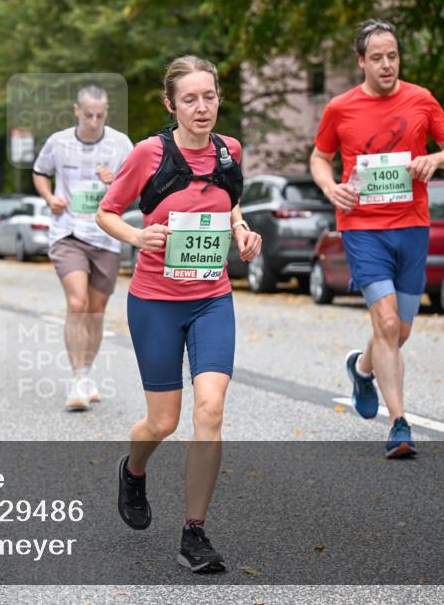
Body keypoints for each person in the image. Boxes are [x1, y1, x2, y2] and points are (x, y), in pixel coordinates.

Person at [96, 56, 262, 574]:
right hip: (155, 302)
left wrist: (241, 229)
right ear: (171, 105)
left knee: (209, 409)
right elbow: (105, 212)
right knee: (163, 420)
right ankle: (134, 469)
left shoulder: (230, 150)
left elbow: (229, 204)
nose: (201, 107)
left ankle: (194, 533)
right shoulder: (150, 153)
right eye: (189, 99)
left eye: (209, 96)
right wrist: (139, 236)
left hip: (212, 297)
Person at [309, 19, 444, 458]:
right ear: (361, 61)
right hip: (362, 227)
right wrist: (328, 187)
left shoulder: (421, 99)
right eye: (376, 57)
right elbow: (320, 158)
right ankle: (399, 423)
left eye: (392, 56)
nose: (386, 65)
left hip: (412, 224)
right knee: (388, 322)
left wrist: (435, 160)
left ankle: (361, 368)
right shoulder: (341, 108)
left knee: (400, 331)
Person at [32, 85, 134, 411]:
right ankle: (77, 379)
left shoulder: (120, 144)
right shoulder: (58, 142)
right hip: (68, 232)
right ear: (76, 110)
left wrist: (116, 181)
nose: (93, 121)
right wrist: (50, 199)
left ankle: (87, 373)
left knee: (96, 309)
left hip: (106, 234)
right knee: (77, 303)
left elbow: (137, 187)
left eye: (100, 115)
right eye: (87, 114)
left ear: (106, 112)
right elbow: (39, 173)